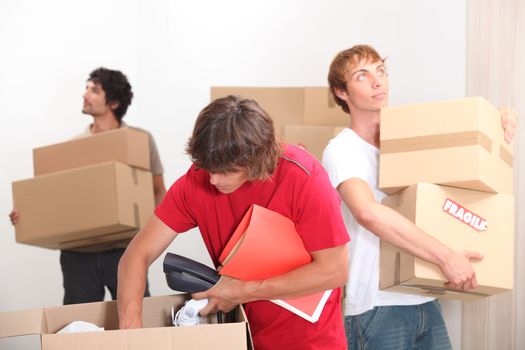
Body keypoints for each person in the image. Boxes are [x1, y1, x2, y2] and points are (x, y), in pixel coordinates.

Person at [322, 44, 517, 350]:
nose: (377, 82)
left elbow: (455, 182)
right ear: (341, 92)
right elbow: (367, 212)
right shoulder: (342, 149)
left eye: (381, 71)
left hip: (423, 295)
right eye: (362, 75)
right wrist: (446, 257)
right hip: (376, 307)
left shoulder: (409, 144)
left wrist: (497, 121)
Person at [117, 95, 350, 350]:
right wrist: (131, 336)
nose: (214, 180)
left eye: (227, 170)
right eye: (208, 168)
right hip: (246, 337)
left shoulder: (304, 178)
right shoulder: (197, 181)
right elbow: (136, 255)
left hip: (311, 341)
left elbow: (335, 270)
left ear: (257, 158)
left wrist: (241, 291)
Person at [9, 67, 166, 304]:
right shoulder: (73, 148)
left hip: (125, 250)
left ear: (113, 102)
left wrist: (148, 240)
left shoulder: (139, 140)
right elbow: (56, 200)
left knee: (137, 323)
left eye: (94, 90)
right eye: (86, 88)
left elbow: (158, 190)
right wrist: (27, 216)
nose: (85, 94)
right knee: (79, 330)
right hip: (78, 255)